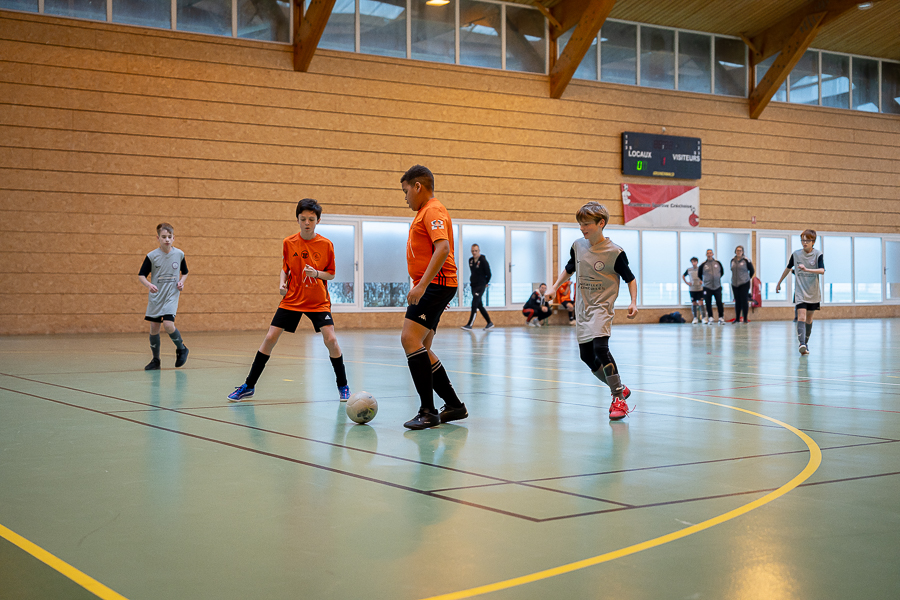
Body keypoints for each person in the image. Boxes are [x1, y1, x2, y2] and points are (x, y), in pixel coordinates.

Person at [227, 199, 350, 402]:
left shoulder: (326, 244)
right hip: (292, 299)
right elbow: (285, 268)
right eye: (303, 219)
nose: (307, 223)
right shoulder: (288, 242)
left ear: (318, 220)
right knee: (270, 338)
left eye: (311, 219)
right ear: (297, 219)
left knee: (331, 340)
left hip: (318, 301)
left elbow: (331, 274)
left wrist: (316, 273)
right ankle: (248, 386)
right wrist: (282, 283)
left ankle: (343, 385)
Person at [546, 202, 638, 421]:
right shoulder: (578, 245)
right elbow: (570, 268)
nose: (582, 228)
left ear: (601, 223)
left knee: (600, 348)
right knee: (586, 356)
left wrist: (633, 302)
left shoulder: (615, 252)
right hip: (583, 307)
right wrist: (554, 287)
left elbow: (630, 278)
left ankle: (619, 399)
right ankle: (620, 387)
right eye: (580, 224)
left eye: (586, 224)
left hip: (601, 307)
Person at [399, 165, 467, 430]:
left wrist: (422, 286)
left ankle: (428, 411)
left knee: (409, 339)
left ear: (418, 186)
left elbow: (443, 248)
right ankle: (454, 406)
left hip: (435, 284)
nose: (405, 198)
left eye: (406, 191)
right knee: (422, 348)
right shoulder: (424, 212)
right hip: (437, 285)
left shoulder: (432, 210)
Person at [138, 222, 189, 370]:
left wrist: (181, 282)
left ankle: (181, 348)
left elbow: (185, 272)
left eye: (169, 236)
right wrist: (149, 285)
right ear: (158, 238)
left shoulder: (179, 254)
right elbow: (141, 275)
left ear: (173, 238)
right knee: (154, 328)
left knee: (168, 324)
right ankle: (156, 360)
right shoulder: (152, 256)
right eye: (164, 236)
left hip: (171, 294)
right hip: (156, 296)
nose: (167, 239)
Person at [775, 229, 825, 356]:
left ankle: (805, 344)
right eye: (802, 240)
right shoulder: (796, 254)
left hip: (813, 292)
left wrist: (806, 269)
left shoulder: (818, 254)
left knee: (809, 319)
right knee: (801, 316)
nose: (804, 242)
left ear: (813, 241)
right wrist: (779, 282)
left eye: (807, 240)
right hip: (800, 292)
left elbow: (822, 271)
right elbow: (788, 268)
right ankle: (801, 343)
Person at [461, 244, 494, 330]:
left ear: (479, 251)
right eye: (473, 251)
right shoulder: (471, 260)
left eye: (476, 251)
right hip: (474, 285)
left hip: (481, 285)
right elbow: (474, 272)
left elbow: (489, 273)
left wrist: (486, 282)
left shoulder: (483, 260)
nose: (474, 253)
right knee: (479, 305)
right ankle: (489, 323)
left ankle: (469, 324)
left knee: (474, 303)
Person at [698, 249, 725, 324]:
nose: (709, 254)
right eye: (708, 253)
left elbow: (722, 272)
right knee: (708, 303)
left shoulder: (718, 263)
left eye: (710, 253)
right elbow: (699, 274)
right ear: (706, 255)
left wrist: (716, 278)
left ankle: (721, 317)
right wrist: (705, 280)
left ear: (712, 254)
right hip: (707, 287)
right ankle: (710, 317)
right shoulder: (703, 265)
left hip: (717, 286)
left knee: (719, 302)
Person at [730, 246, 755, 323]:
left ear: (743, 252)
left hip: (744, 283)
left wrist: (747, 278)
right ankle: (737, 318)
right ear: (735, 251)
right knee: (737, 301)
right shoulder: (732, 260)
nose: (738, 252)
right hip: (735, 283)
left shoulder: (746, 260)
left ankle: (745, 319)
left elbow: (752, 271)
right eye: (737, 250)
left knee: (744, 300)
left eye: (740, 251)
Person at [682, 257, 706, 324]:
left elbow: (705, 276)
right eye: (692, 262)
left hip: (700, 288)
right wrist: (687, 283)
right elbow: (683, 275)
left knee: (701, 303)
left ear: (697, 262)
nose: (693, 263)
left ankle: (704, 317)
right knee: (694, 303)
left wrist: (702, 281)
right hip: (692, 289)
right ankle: (695, 318)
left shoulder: (700, 269)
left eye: (694, 262)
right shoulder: (689, 270)